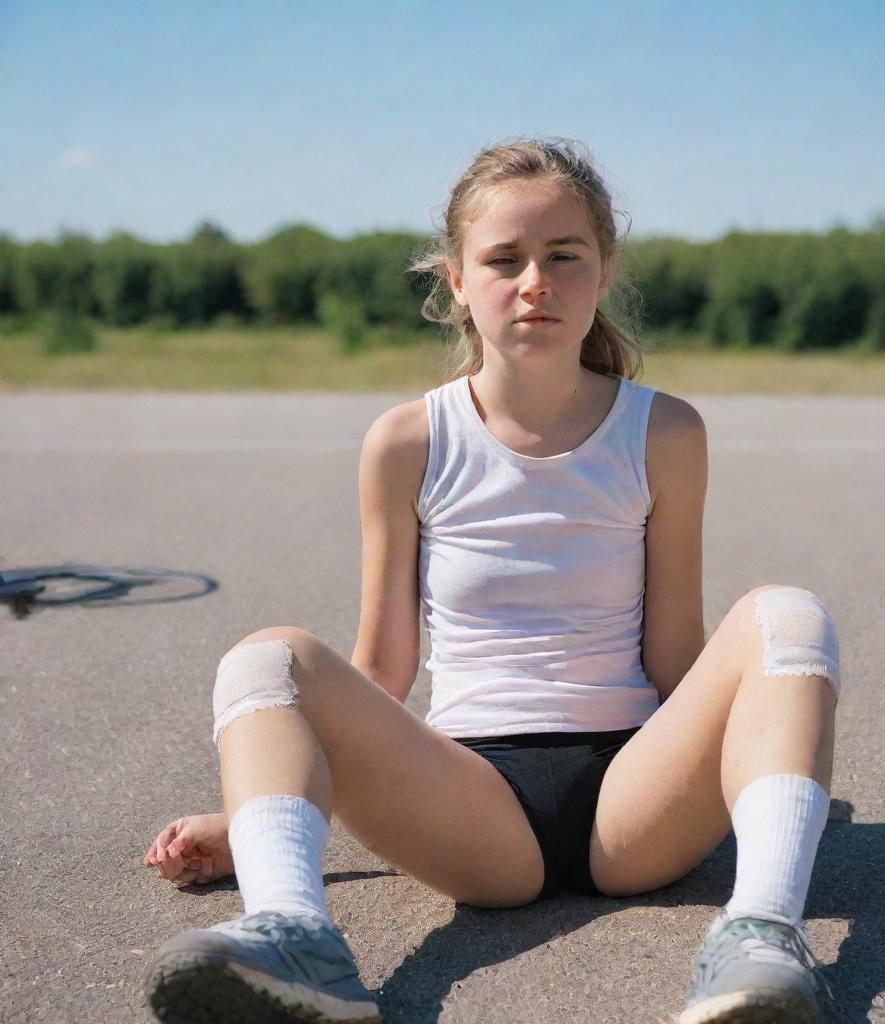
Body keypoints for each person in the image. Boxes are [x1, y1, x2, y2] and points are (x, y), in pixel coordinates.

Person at [142, 136, 844, 1024]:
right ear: (457, 281)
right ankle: (291, 926)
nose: (535, 283)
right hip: (472, 807)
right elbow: (382, 670)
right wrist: (257, 823)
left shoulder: (664, 432)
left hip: (634, 798)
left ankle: (763, 939)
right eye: (504, 260)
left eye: (564, 257)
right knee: (266, 660)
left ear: (603, 272)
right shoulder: (407, 442)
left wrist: (755, 766)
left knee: (788, 616)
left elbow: (676, 654)